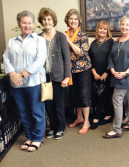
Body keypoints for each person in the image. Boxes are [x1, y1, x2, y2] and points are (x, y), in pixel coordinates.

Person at [3, 10, 47, 152]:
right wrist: (13, 75)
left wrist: (21, 75)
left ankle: (38, 138)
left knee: (36, 111)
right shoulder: (11, 41)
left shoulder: (39, 40)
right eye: (24, 22)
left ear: (33, 25)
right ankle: (29, 136)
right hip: (16, 84)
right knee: (23, 112)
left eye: (29, 23)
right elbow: (6, 59)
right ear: (19, 24)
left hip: (34, 82)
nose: (27, 25)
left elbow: (39, 60)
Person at [103, 15, 129, 139]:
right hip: (116, 75)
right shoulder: (117, 41)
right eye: (122, 24)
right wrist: (113, 71)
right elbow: (110, 58)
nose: (124, 27)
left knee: (117, 101)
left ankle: (116, 130)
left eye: (127, 25)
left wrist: (125, 72)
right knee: (128, 100)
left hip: (126, 76)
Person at [38, 8, 71, 139]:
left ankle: (60, 127)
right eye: (44, 19)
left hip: (58, 76)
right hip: (43, 76)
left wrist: (66, 77)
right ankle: (52, 127)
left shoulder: (60, 36)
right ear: (41, 21)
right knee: (48, 104)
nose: (47, 22)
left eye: (49, 19)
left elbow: (67, 58)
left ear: (53, 21)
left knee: (58, 104)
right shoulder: (38, 37)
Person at [64, 9, 91, 134]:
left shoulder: (83, 35)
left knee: (84, 94)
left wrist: (69, 41)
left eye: (75, 19)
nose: (73, 21)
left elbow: (81, 53)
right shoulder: (64, 33)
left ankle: (87, 121)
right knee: (75, 95)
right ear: (67, 20)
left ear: (78, 21)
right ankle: (79, 118)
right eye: (71, 18)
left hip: (83, 68)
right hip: (70, 70)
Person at [89, 20, 114, 129]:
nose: (102, 30)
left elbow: (113, 59)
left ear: (107, 31)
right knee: (98, 95)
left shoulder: (111, 42)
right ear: (97, 30)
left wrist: (105, 73)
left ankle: (96, 117)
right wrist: (94, 72)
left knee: (103, 95)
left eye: (105, 29)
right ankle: (108, 114)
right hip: (95, 74)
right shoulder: (93, 43)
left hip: (107, 74)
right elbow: (89, 59)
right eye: (100, 28)